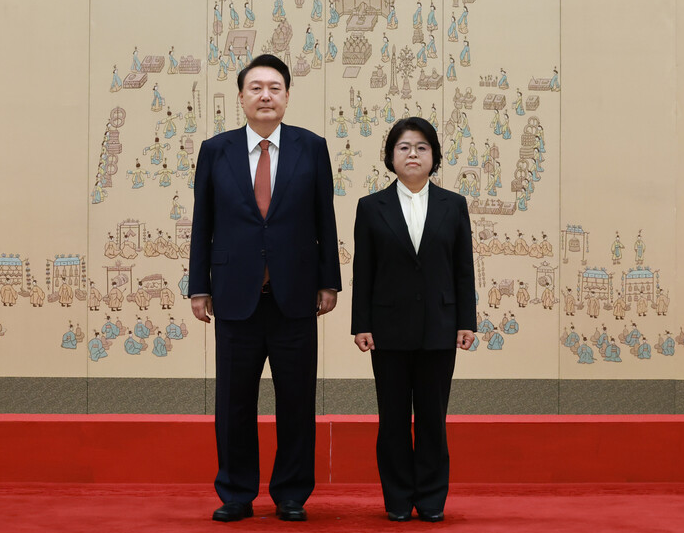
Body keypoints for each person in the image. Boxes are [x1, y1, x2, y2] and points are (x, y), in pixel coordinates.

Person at [189, 54, 341, 523]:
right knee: (234, 403)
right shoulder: (215, 150)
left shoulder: (311, 147)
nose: (265, 95)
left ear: (287, 96)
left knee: (297, 401)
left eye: (274, 87)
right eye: (255, 88)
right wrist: (199, 286)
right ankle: (236, 493)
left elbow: (325, 218)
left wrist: (329, 281)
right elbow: (202, 223)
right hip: (235, 295)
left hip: (296, 295)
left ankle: (291, 494)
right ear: (241, 97)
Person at [351, 117, 476, 523]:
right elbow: (363, 271)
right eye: (403, 147)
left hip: (440, 327)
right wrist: (361, 324)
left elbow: (463, 269)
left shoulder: (453, 205)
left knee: (432, 419)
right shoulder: (371, 207)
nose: (412, 154)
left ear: (434, 157)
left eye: (422, 147)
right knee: (392, 420)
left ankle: (432, 499)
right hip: (387, 330)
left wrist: (466, 321)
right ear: (391, 156)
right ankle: (398, 499)